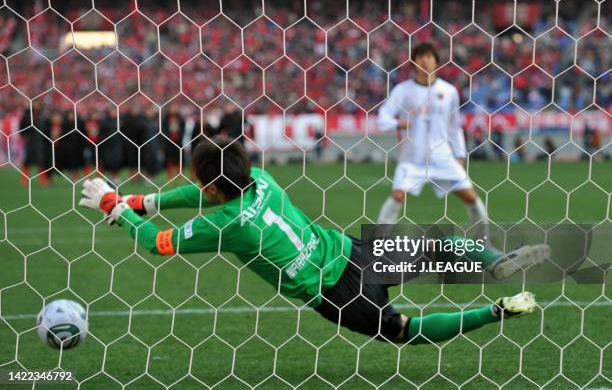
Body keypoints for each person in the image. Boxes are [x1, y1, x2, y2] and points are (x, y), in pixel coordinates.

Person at [79, 136, 549, 344]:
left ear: (210, 188)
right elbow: (201, 191)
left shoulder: (225, 224)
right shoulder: (260, 179)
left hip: (336, 295)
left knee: (404, 330)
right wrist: (147, 201)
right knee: (438, 247)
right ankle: (494, 259)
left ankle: (496, 311)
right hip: (348, 250)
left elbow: (158, 245)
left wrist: (115, 207)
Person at [376, 43, 488, 241]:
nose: (424, 60)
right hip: (412, 158)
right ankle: (377, 243)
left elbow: (455, 126)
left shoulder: (449, 91)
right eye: (419, 57)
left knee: (470, 196)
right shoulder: (403, 91)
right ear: (414, 62)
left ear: (436, 61)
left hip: (442, 157)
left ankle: (485, 240)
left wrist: (460, 154)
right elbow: (382, 119)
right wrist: (400, 123)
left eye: (428, 56)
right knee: (398, 196)